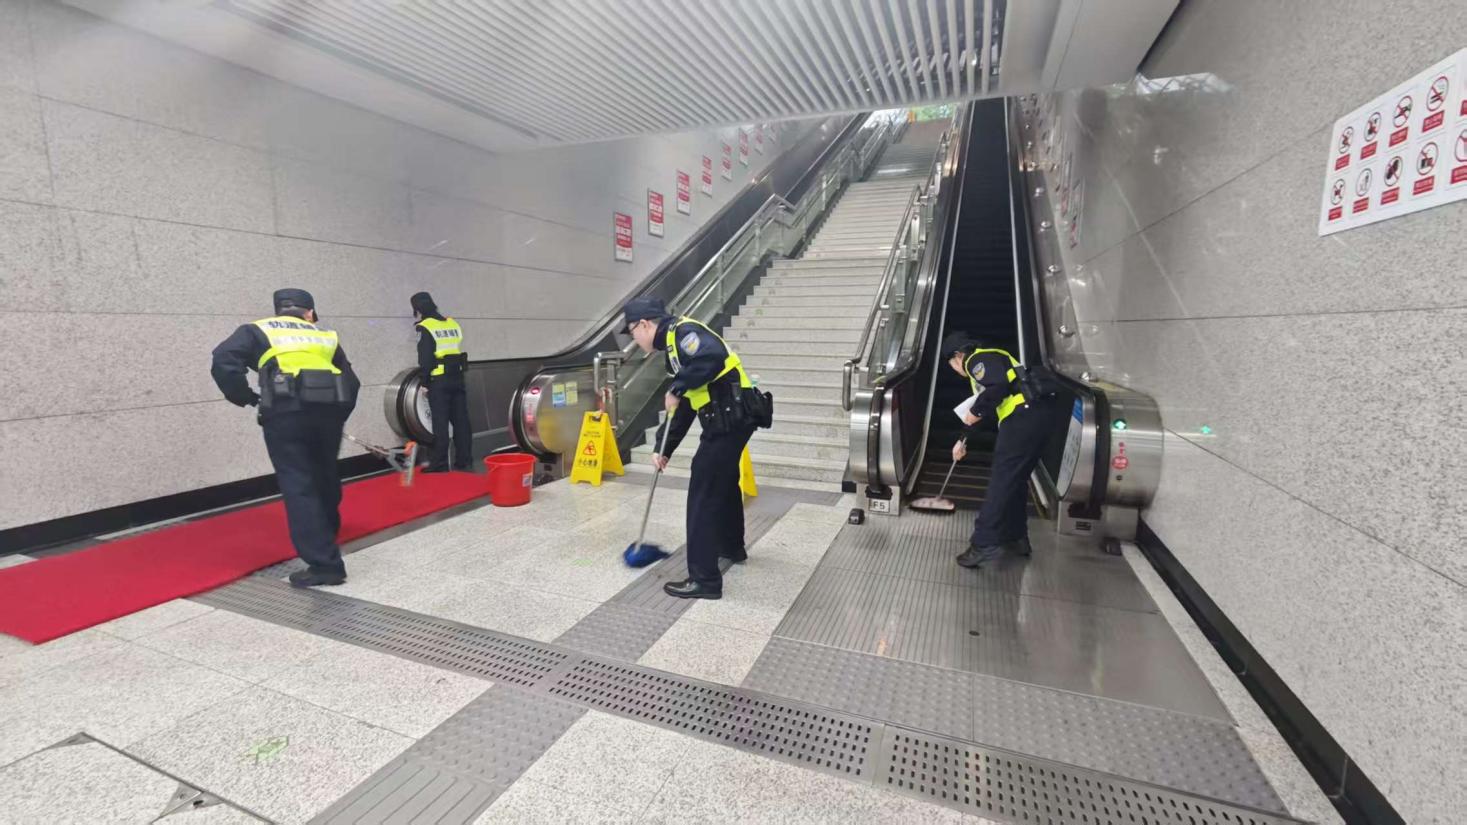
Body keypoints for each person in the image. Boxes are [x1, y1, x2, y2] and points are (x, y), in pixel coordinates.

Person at [211, 289, 360, 588]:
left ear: (279, 309)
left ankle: (325, 565)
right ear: (309, 312)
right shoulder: (324, 336)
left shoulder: (258, 330)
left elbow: (223, 360)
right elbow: (352, 382)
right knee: (325, 477)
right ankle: (326, 537)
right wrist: (338, 414)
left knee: (298, 482)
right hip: (328, 413)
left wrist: (247, 397)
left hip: (285, 412)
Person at [624, 297, 762, 600]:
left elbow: (711, 357)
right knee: (723, 483)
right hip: (730, 419)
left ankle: (705, 580)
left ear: (644, 324)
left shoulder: (684, 333)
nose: (635, 340)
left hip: (732, 418)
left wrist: (677, 386)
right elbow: (684, 406)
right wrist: (664, 447)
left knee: (703, 491)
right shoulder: (673, 350)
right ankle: (731, 547)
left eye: (632, 332)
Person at [941, 331, 1060, 569]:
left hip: (1022, 418)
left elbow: (997, 388)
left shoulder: (976, 360)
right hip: (1037, 415)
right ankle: (1016, 537)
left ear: (958, 356)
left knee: (1002, 480)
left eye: (951, 364)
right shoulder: (993, 360)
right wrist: (963, 439)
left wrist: (975, 412)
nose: (955, 370)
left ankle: (984, 543)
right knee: (1015, 480)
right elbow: (989, 400)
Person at [411, 291, 472, 473]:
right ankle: (464, 460)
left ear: (418, 309)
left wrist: (424, 382)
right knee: (461, 421)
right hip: (457, 377)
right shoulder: (452, 323)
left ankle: (439, 464)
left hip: (439, 380)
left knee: (440, 422)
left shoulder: (425, 327)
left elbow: (426, 358)